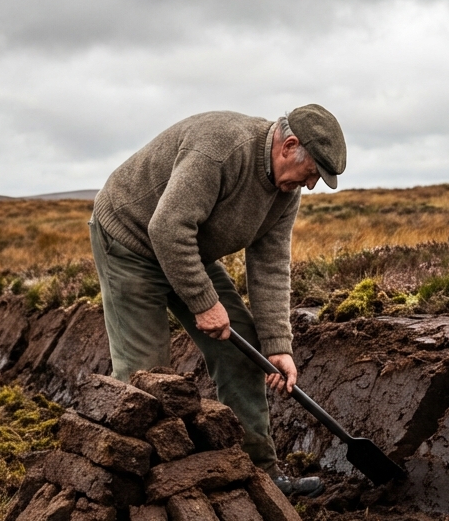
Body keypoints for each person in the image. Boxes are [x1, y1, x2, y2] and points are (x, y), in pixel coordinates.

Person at [89, 104, 346, 496]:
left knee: (245, 353)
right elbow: (166, 228)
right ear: (288, 145)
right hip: (131, 240)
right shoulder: (220, 149)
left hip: (186, 249)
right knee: (147, 376)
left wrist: (278, 345)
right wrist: (203, 301)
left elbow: (271, 265)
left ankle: (259, 473)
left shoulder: (284, 192)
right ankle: (137, 487)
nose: (310, 186)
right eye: (311, 174)